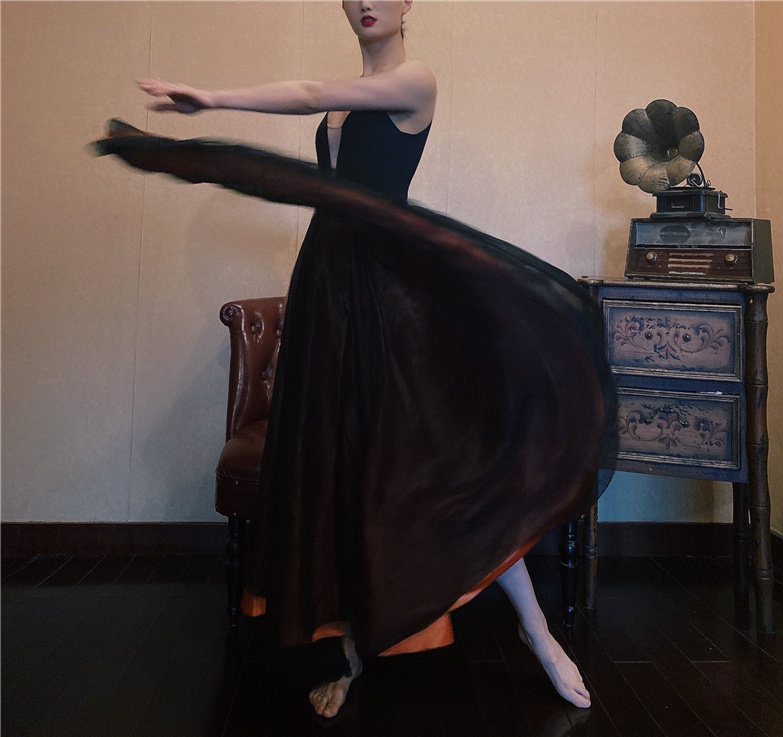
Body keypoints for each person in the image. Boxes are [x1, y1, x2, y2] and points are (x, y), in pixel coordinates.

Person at [126, 0, 605, 718]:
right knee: (340, 464)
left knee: (439, 465)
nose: (366, 1)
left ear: (408, 2)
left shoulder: (415, 81)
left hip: (389, 292)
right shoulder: (350, 99)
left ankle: (537, 633)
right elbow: (321, 106)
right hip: (326, 284)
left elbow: (311, 92)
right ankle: (347, 647)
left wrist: (214, 98)